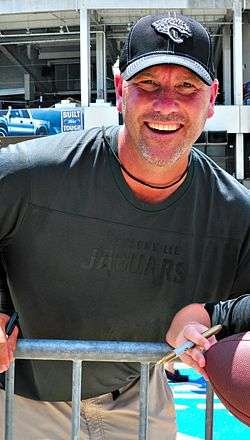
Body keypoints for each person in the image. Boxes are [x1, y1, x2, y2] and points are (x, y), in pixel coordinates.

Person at [0, 12, 250, 439]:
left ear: (211, 99)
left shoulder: (234, 212)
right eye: (148, 84)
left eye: (186, 87)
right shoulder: (35, 172)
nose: (166, 104)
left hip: (138, 393)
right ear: (120, 91)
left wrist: (207, 319)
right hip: (26, 401)